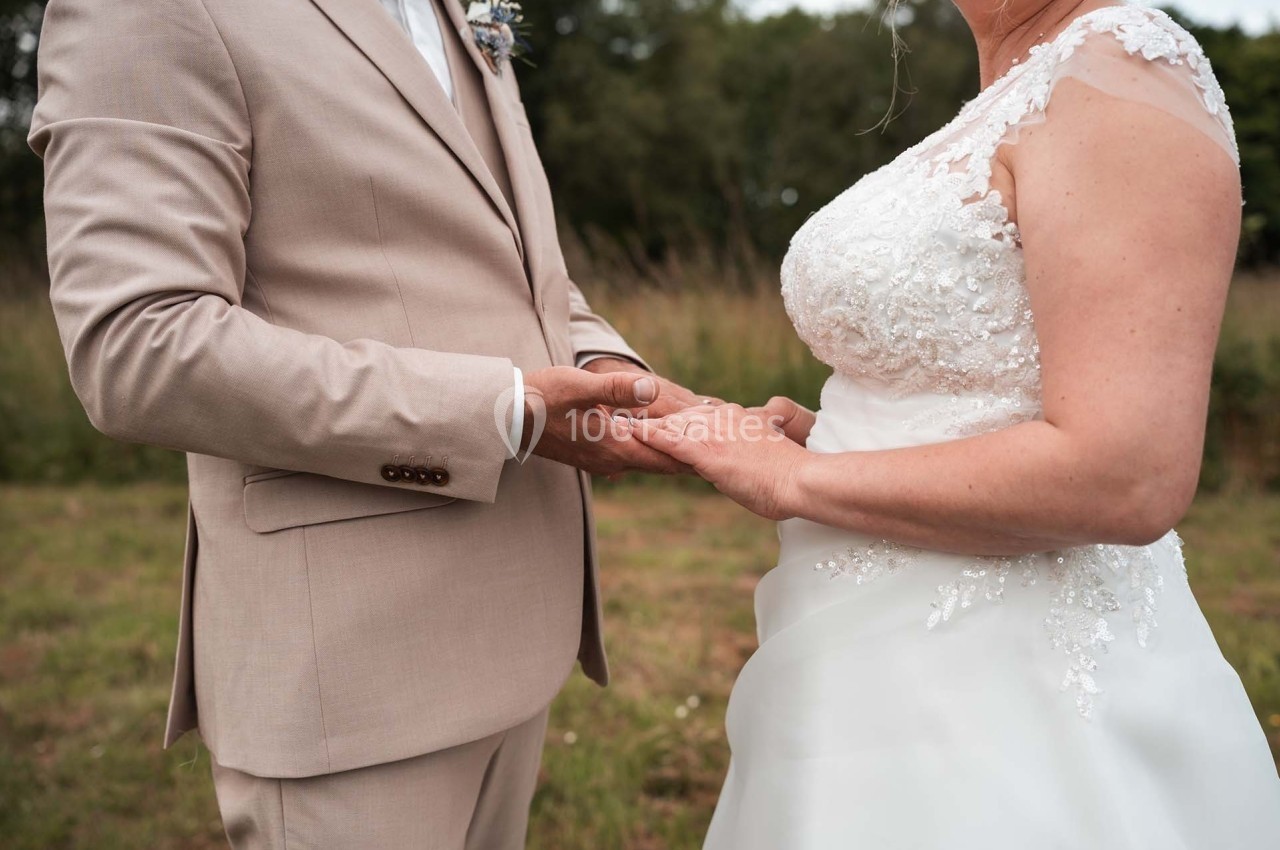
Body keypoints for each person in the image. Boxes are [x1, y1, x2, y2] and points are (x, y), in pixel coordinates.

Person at [28, 0, 703, 846]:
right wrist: (502, 413)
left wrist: (614, 378)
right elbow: (139, 344)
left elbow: (517, 267)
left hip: (517, 623)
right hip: (350, 672)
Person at [632, 2, 1280, 846]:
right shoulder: (1021, 82)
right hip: (856, 661)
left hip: (1004, 689)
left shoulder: (1125, 72)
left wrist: (795, 480)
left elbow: (1128, 472)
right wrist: (813, 437)